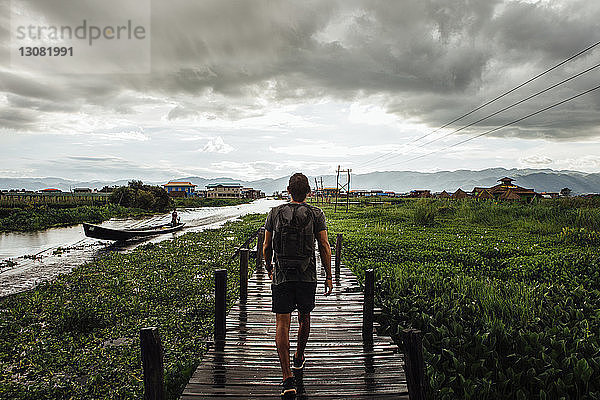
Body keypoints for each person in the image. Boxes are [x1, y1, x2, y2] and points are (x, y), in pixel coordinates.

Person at [263, 173, 333, 399]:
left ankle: (287, 379)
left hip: (282, 275)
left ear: (288, 190)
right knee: (304, 318)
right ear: (309, 192)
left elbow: (265, 246)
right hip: (307, 275)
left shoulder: (274, 212)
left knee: (282, 324)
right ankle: (299, 357)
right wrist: (329, 276)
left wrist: (269, 268)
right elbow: (324, 245)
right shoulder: (316, 213)